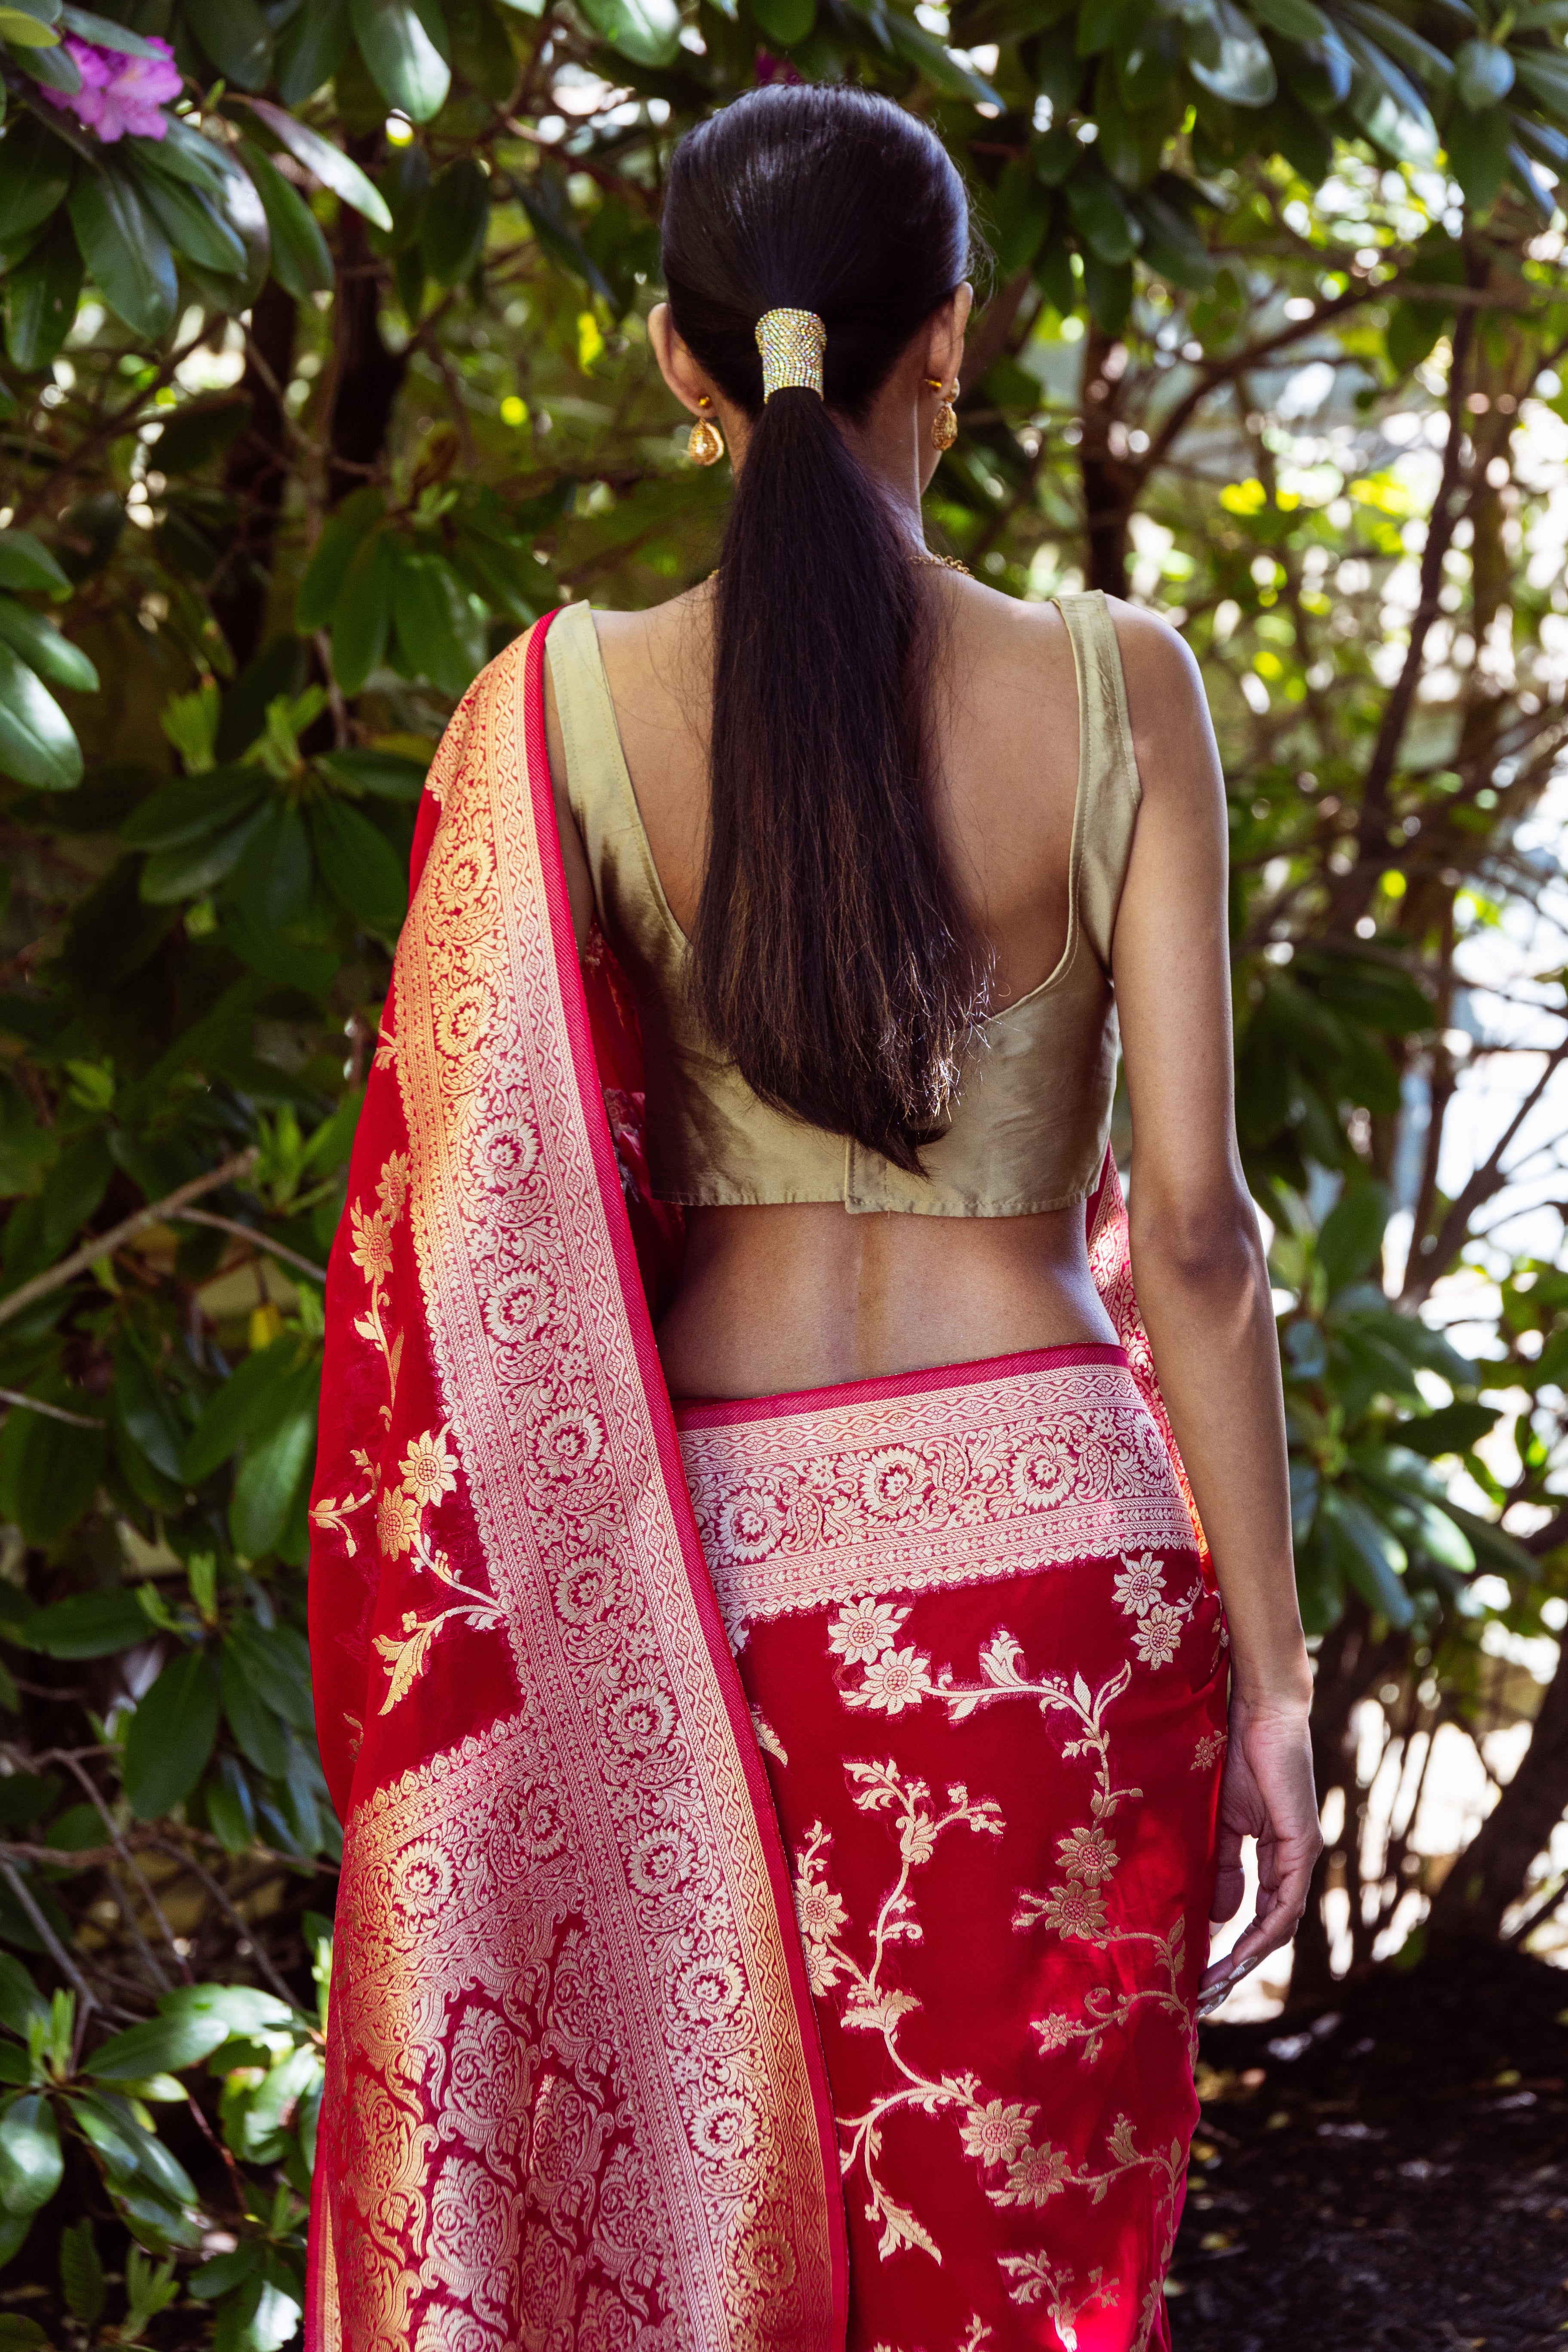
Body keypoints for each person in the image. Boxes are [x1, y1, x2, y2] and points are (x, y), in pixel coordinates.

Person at [306, 82, 1320, 2352]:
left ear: (683, 358)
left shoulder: (555, 710)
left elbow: (466, 1247)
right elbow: (1198, 1239)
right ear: (949, 338)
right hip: (1057, 1583)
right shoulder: (1116, 685)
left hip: (698, 1602)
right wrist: (1274, 1681)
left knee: (704, 2283)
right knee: (1019, 2283)